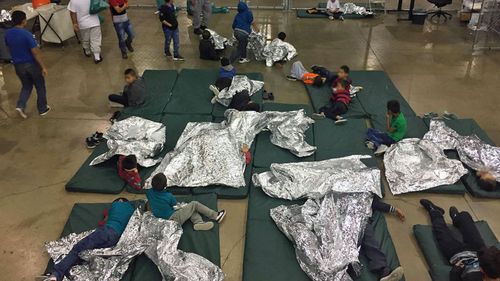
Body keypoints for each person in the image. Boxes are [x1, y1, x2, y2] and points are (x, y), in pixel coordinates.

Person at [42, 198, 135, 281]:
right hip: (116, 239)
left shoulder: (116, 205)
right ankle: (71, 268)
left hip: (105, 232)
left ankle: (55, 275)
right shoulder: (131, 210)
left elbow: (103, 221)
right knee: (86, 254)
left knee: (76, 250)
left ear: (119, 201)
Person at [420, 199, 500, 281]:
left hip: (457, 254)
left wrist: (455, 271)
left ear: (482, 270)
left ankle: (435, 211)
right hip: (477, 249)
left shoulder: (472, 278)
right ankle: (456, 218)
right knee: (466, 219)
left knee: (441, 231)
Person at [5, 11, 50, 119]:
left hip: (18, 65)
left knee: (26, 85)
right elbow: (35, 52)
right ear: (24, 21)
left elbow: (8, 47)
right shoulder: (27, 35)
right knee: (40, 86)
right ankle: (43, 108)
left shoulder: (8, 33)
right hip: (31, 65)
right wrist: (43, 67)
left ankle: (20, 105)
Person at [146, 173, 226, 231]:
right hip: (172, 220)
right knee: (194, 204)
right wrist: (182, 206)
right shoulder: (168, 196)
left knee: (189, 208)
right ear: (165, 185)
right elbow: (175, 205)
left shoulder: (148, 192)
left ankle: (198, 223)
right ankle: (216, 216)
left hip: (161, 220)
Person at [352, 198, 405, 281]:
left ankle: (384, 273)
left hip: (361, 220)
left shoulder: (365, 194)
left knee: (370, 242)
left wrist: (394, 209)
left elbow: (374, 203)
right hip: (342, 220)